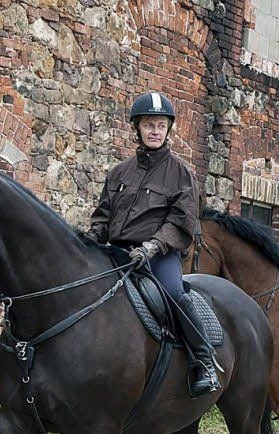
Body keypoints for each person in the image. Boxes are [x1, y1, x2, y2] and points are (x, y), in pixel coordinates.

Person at [87, 91, 219, 398]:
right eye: (149, 124)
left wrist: (151, 247)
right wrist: (92, 237)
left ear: (168, 129)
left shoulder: (180, 173)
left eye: (160, 125)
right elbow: (104, 214)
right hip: (118, 253)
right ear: (138, 128)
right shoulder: (120, 172)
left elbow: (181, 221)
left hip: (157, 256)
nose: (155, 131)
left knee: (174, 294)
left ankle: (204, 362)